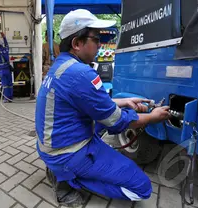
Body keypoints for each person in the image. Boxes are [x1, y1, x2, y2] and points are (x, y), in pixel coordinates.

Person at [35, 9, 171, 207]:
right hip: (65, 152)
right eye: (96, 39)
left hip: (51, 145)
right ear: (77, 43)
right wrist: (153, 117)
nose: (100, 44)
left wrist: (124, 102)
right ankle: (65, 178)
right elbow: (117, 122)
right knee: (142, 188)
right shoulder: (82, 74)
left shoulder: (61, 66)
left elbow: (85, 102)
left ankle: (61, 168)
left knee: (105, 119)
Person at [0, 32, 13, 102]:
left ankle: (6, 98)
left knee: (4, 85)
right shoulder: (6, 50)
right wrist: (4, 37)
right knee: (10, 84)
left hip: (2, 70)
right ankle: (10, 97)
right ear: (2, 44)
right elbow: (7, 44)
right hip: (8, 69)